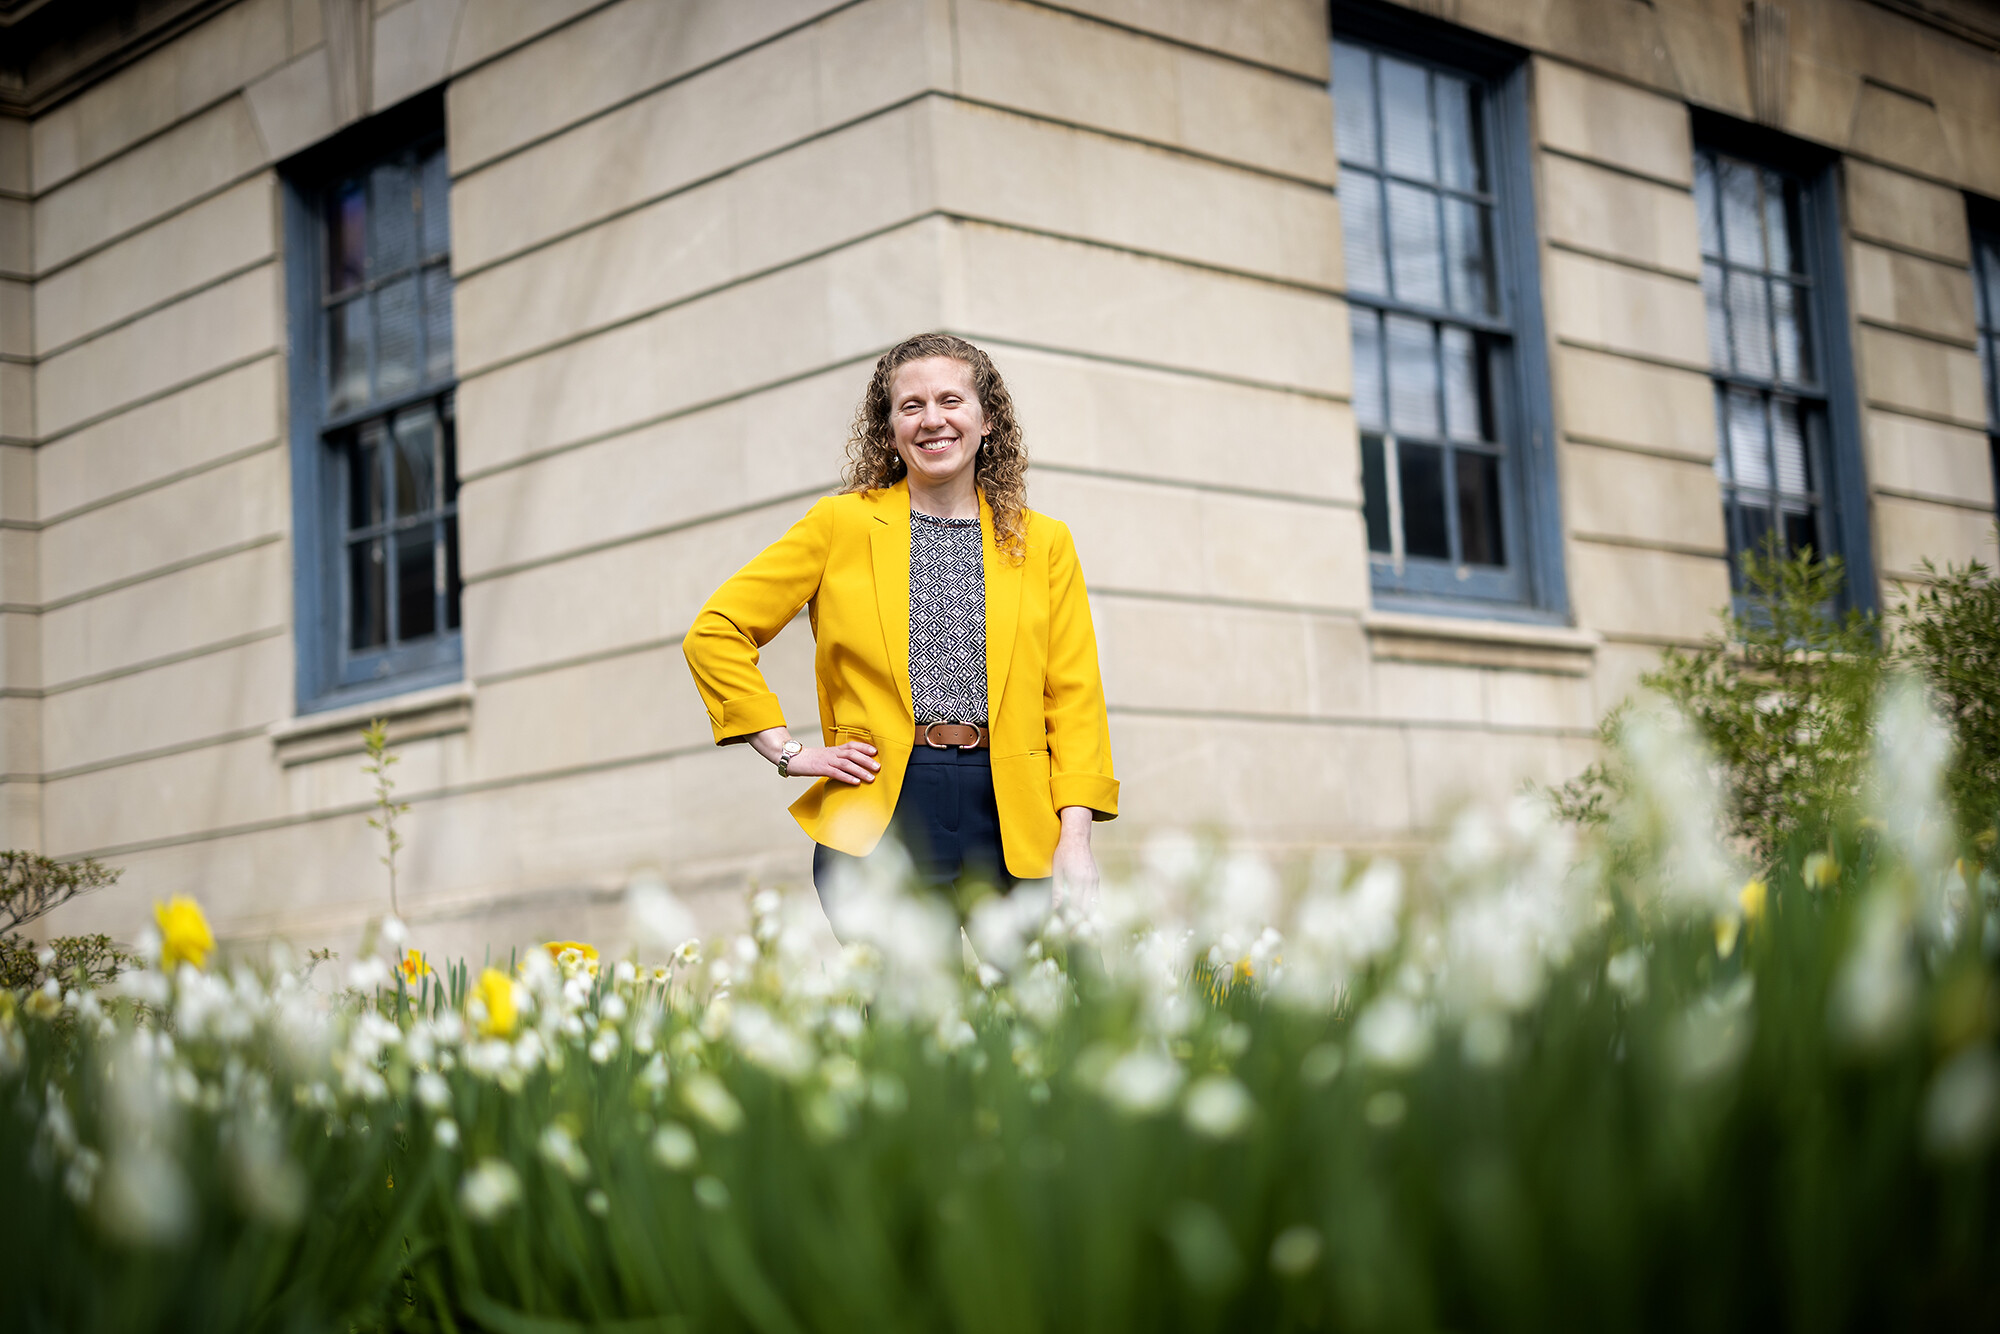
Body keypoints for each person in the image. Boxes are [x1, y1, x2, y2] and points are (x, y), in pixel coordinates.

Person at [683, 332, 1117, 915]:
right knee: (913, 1008)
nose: (932, 420)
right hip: (883, 806)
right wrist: (786, 751)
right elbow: (716, 631)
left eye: (950, 400)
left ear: (988, 419)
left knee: (1050, 1003)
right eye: (911, 406)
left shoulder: (1043, 543)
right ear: (889, 429)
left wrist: (1077, 837)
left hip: (1016, 812)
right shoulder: (841, 524)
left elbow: (1074, 697)